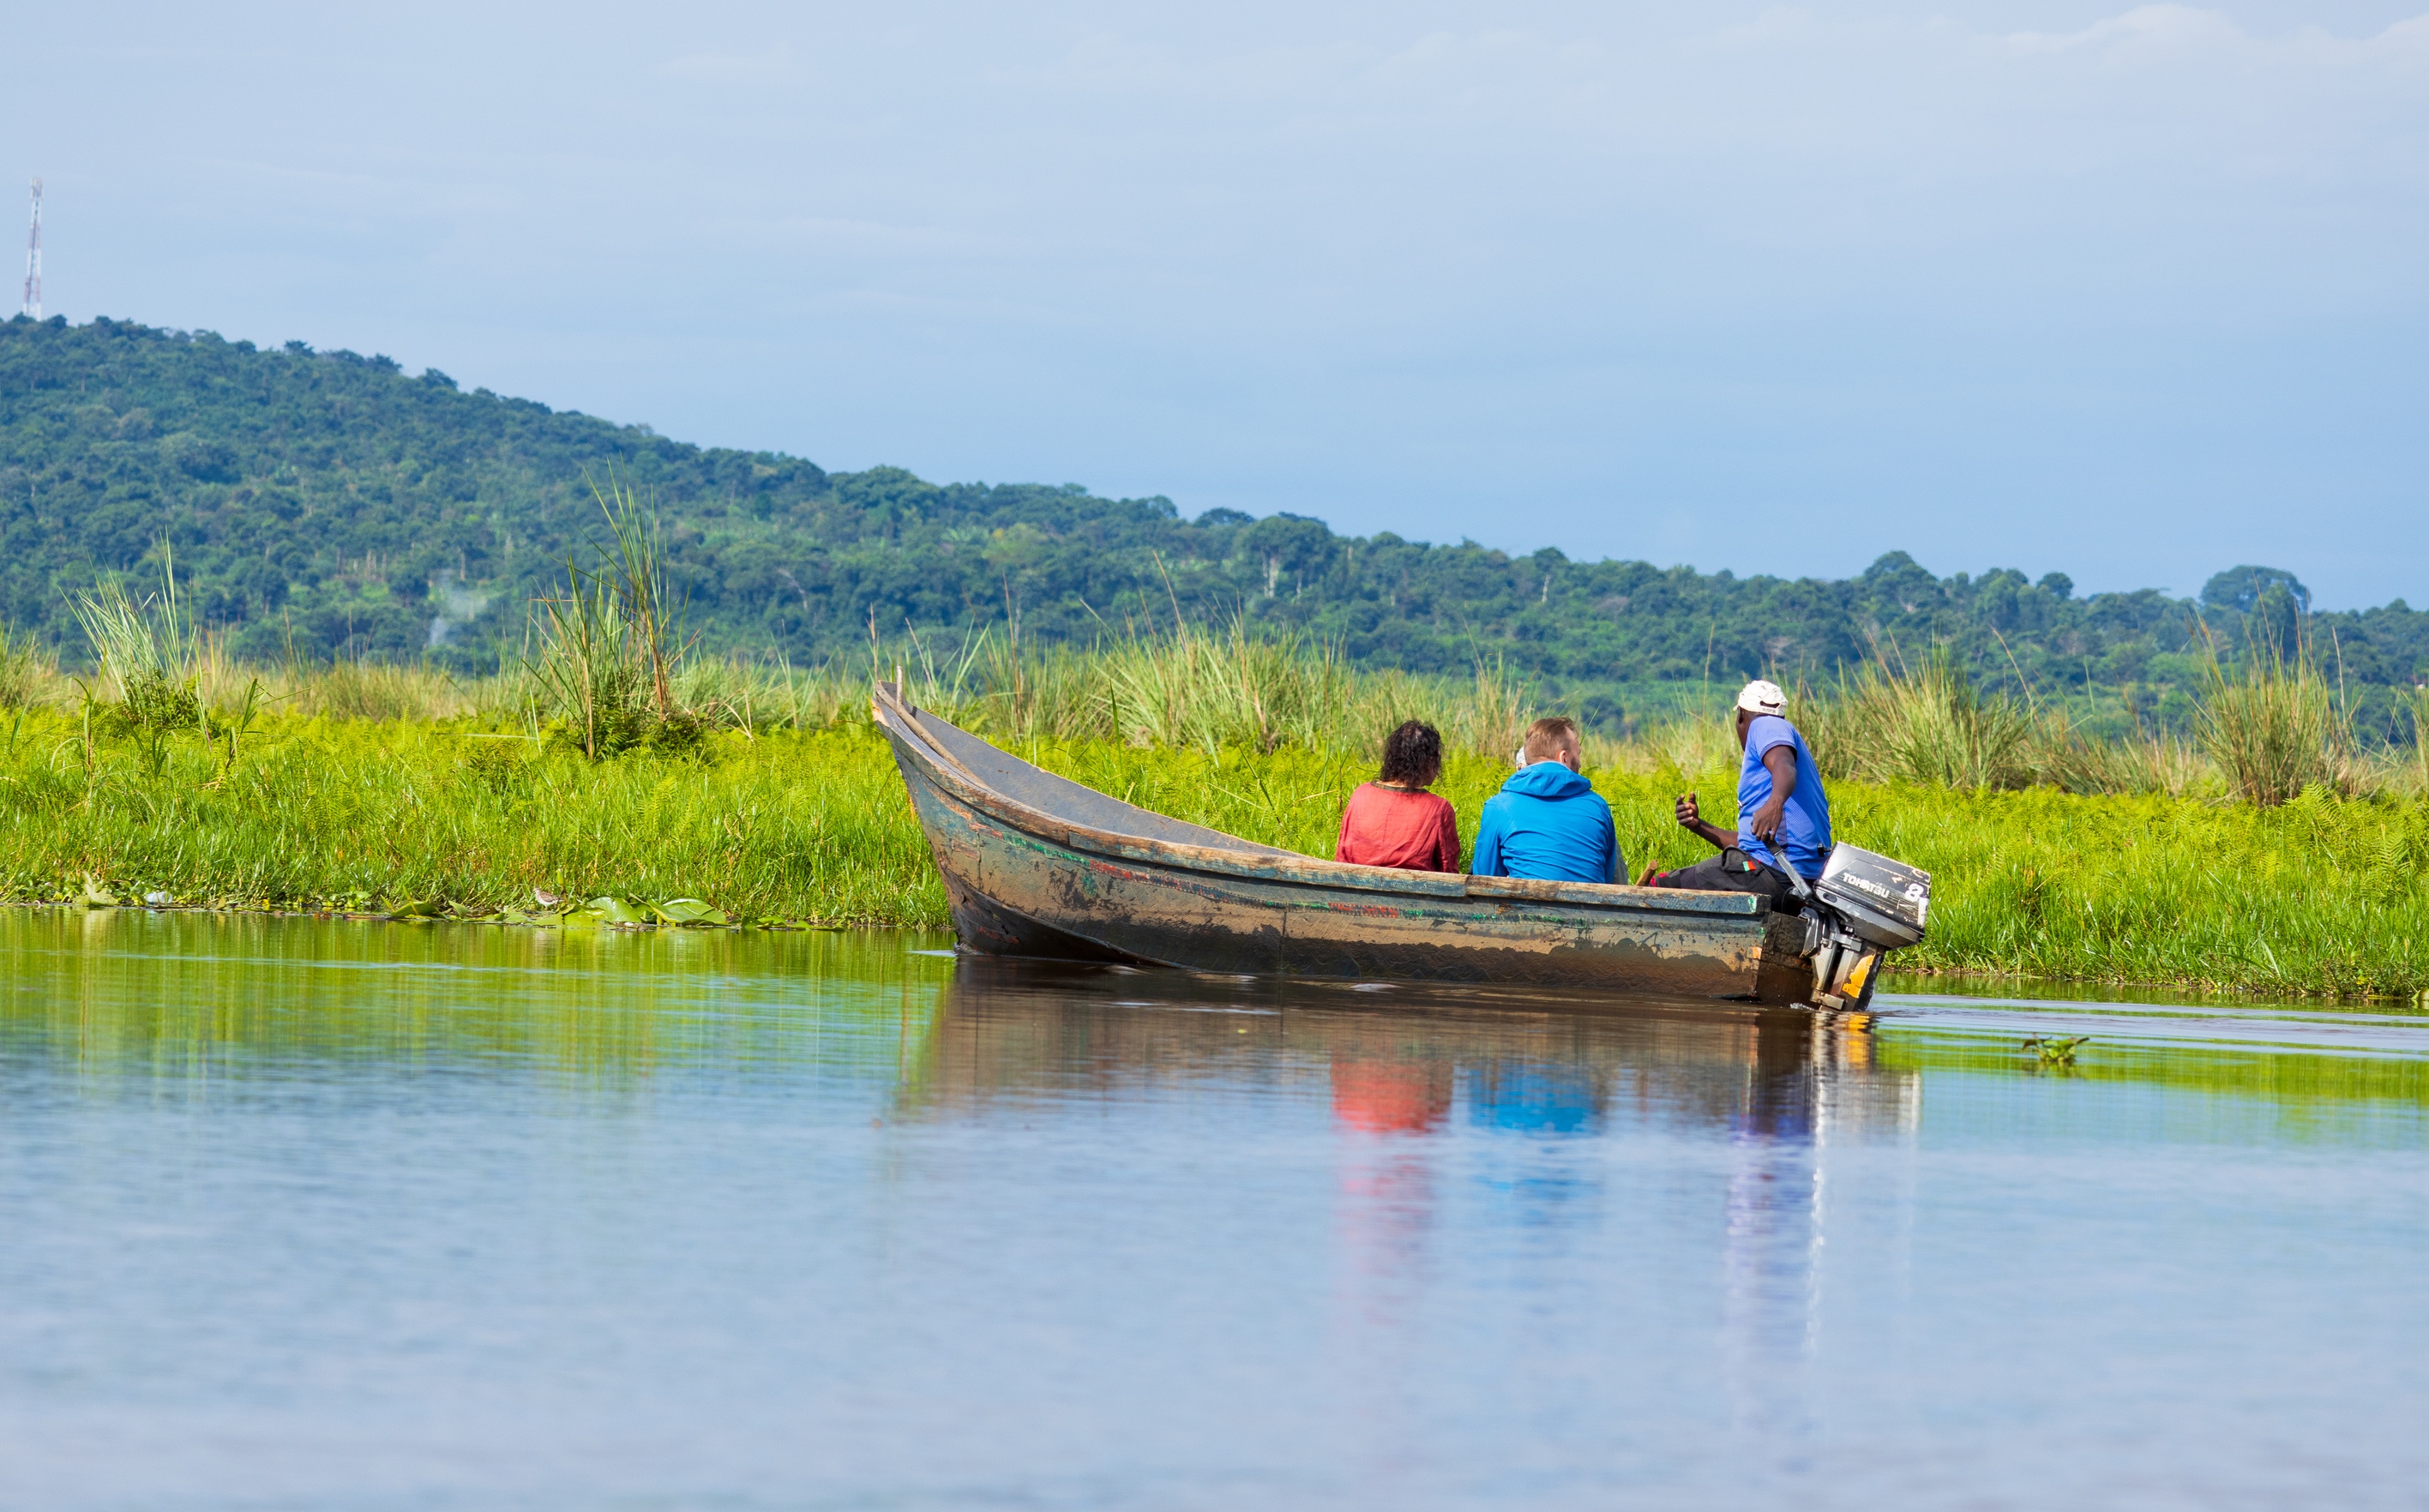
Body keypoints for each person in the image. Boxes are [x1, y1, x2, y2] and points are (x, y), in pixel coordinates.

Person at [1642, 679, 1831, 908]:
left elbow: (1784, 765)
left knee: (1659, 890)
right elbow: (1750, 845)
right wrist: (1698, 825)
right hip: (1792, 879)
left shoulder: (1766, 725)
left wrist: (1774, 804)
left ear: (1741, 715)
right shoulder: (1781, 744)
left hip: (1774, 873)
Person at [1471, 717, 1622, 884]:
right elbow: (1607, 876)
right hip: (1589, 909)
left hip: (1524, 909)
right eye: (1578, 753)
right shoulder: (1598, 807)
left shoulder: (1499, 807)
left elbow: (1486, 879)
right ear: (1563, 757)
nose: (1580, 763)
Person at [1335, 720, 1462, 873]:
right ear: (1428, 761)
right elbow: (1448, 871)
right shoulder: (1439, 809)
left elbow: (1342, 858)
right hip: (1413, 895)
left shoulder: (1361, 794)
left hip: (1354, 892)